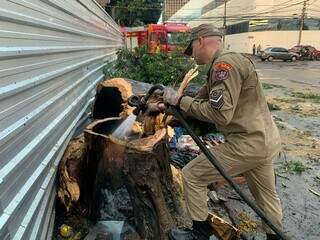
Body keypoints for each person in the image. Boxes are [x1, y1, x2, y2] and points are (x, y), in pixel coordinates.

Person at [162, 24, 283, 240]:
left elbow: (219, 115)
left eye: (191, 50)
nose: (192, 57)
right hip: (265, 141)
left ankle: (198, 234)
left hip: (247, 143)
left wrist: (180, 100)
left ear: (200, 41)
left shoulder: (223, 66)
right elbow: (201, 100)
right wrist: (168, 105)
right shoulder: (230, 61)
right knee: (266, 197)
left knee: (193, 175)